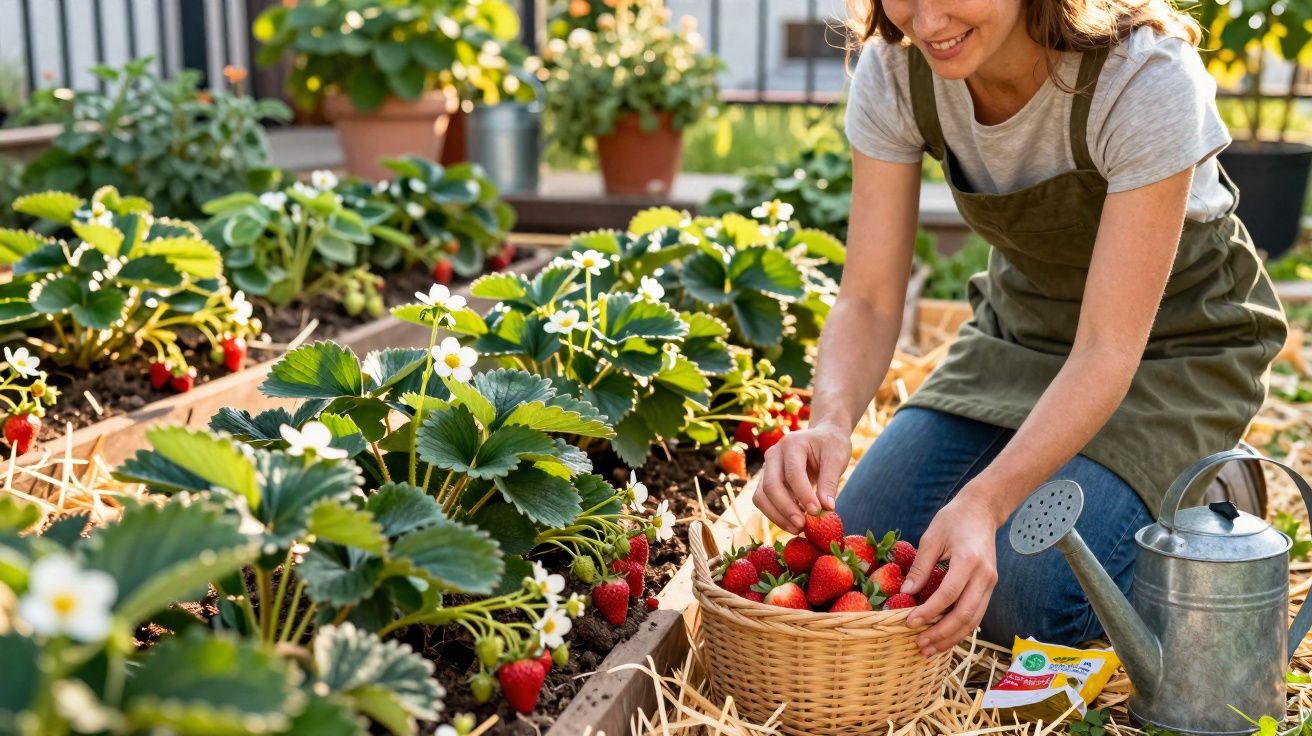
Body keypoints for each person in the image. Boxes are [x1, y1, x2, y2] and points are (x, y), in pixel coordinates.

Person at [752, 0, 1286, 657]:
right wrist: (830, 420)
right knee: (869, 539)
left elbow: (1107, 348)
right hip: (1022, 331)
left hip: (1168, 350)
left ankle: (1205, 489)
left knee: (1029, 598)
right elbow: (866, 296)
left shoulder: (1144, 78)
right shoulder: (896, 68)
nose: (925, 22)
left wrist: (984, 503)